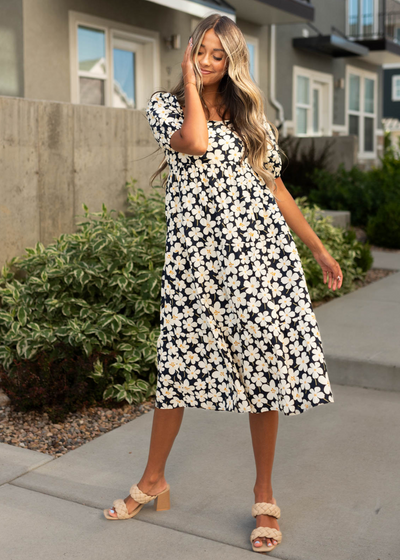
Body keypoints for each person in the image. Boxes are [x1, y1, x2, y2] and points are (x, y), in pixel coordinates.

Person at [104, 13, 342, 554]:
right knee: (178, 369)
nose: (209, 62)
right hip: (195, 266)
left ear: (233, 60)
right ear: (190, 51)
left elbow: (276, 188)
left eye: (218, 55)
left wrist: (319, 248)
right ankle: (153, 480)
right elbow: (193, 141)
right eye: (201, 51)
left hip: (259, 261)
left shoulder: (252, 118)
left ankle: (263, 497)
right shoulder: (165, 106)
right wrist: (189, 79)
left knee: (262, 373)